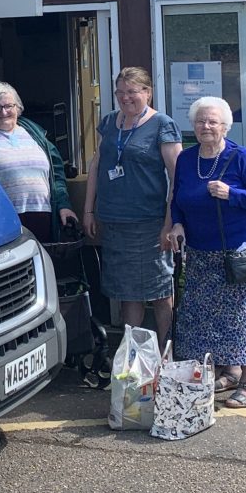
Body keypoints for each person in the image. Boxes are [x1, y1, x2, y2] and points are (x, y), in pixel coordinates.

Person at [168, 96, 246, 408]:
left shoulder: (241, 157)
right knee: (203, 319)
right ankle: (229, 372)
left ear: (225, 126)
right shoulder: (187, 160)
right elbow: (177, 198)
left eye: (213, 121)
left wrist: (232, 193)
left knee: (241, 317)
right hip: (201, 253)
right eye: (200, 121)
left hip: (238, 251)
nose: (206, 126)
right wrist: (176, 225)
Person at [82, 67, 182, 351]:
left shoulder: (162, 124)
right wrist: (89, 210)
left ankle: (167, 353)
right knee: (128, 293)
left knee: (160, 291)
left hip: (150, 223)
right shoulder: (109, 123)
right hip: (115, 222)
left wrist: (169, 223)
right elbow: (97, 164)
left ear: (147, 93)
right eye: (120, 92)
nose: (125, 98)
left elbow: (178, 178)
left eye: (132, 92)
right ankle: (134, 357)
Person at [0, 81, 77, 243]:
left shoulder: (35, 133)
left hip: (43, 215)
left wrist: (64, 205)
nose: (4, 112)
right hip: (3, 219)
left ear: (18, 107)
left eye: (9, 106)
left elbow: (56, 174)